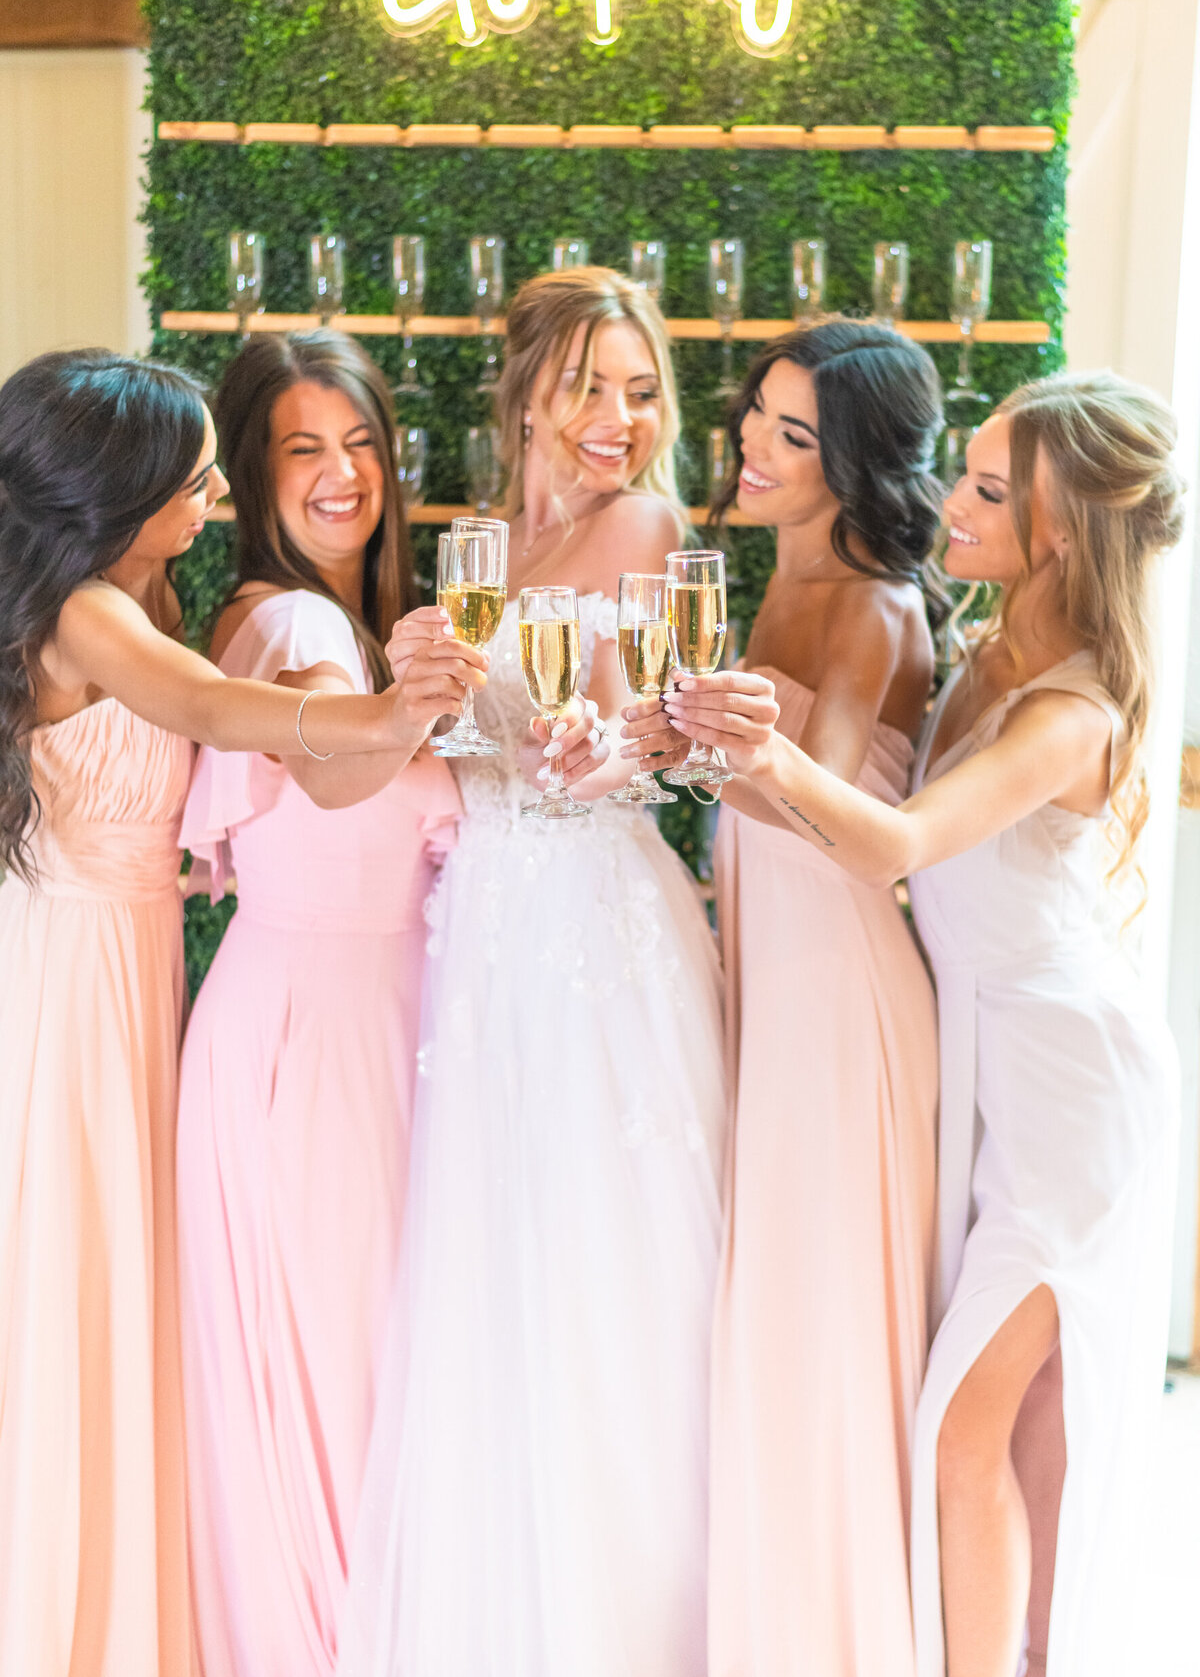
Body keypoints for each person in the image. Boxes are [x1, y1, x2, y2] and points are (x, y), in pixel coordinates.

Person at [628, 372, 1182, 1677]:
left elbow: (896, 841)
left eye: (990, 490)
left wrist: (748, 751)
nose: (950, 501)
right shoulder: (989, 645)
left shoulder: (1069, 712)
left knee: (964, 1428)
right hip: (984, 1067)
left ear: (1060, 535)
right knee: (1028, 1418)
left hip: (1067, 1100)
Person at [0, 349, 484, 1677]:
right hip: (71, 977)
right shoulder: (93, 612)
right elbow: (219, 712)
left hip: (124, 962)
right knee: (75, 1279)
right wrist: (386, 711)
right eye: (192, 469)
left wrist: (390, 723)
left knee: (115, 1289)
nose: (214, 489)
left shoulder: (129, 599)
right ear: (112, 489)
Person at [339, 268, 728, 1677]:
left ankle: (636, 1616)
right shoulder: (474, 544)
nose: (616, 418)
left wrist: (611, 753)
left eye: (637, 390)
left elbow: (659, 735)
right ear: (524, 394)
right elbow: (452, 740)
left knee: (608, 1239)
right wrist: (425, 690)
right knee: (489, 1240)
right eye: (586, 388)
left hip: (597, 918)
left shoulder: (648, 523)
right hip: (487, 917)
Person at [175, 333, 465, 1677]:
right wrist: (410, 709)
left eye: (359, 443)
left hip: (323, 1018)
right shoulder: (297, 631)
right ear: (248, 471)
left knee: (337, 1375)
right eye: (303, 450)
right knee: (347, 1380)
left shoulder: (343, 625)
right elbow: (337, 774)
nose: (342, 475)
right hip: (325, 1038)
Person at [702, 319, 942, 1677]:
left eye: (795, 435)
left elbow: (827, 804)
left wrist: (662, 733)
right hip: (771, 981)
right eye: (756, 417)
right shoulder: (770, 587)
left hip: (840, 1000)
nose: (755, 446)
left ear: (853, 462)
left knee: (823, 1320)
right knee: (773, 1311)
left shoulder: (870, 604)